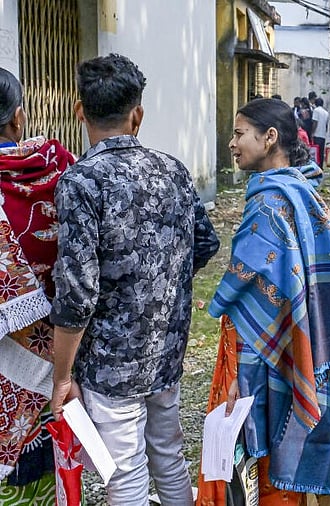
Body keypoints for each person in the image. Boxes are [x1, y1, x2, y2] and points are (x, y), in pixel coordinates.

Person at [49, 54, 220, 505]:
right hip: (165, 348)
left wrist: (62, 377)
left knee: (125, 475)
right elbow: (205, 242)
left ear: (79, 111)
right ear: (137, 115)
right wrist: (159, 283)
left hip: (110, 362)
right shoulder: (173, 170)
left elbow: (77, 294)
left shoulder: (80, 182)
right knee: (168, 455)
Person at [196, 98, 330, 505]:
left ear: (270, 137)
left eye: (239, 133)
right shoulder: (304, 190)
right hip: (294, 342)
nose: (232, 143)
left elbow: (250, 287)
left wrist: (238, 376)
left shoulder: (268, 203)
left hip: (257, 348)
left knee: (250, 452)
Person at [0, 67, 75, 505]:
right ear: (18, 118)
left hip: (25, 351)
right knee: (39, 459)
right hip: (55, 346)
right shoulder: (58, 167)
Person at [311, 97, 329, 167]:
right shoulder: (326, 112)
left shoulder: (316, 110)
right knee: (321, 152)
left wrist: (312, 133)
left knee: (316, 152)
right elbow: (326, 125)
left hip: (316, 134)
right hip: (323, 135)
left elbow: (315, 122)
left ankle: (316, 165)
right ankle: (321, 166)